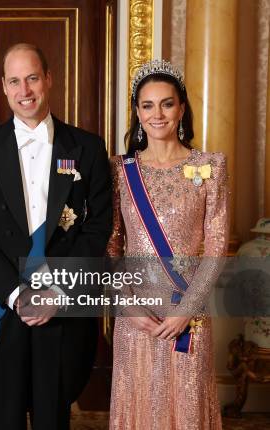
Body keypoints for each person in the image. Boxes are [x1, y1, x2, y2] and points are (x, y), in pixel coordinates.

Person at [0, 43, 112, 430]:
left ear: (48, 79)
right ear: (3, 87)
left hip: (62, 305)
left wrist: (56, 292)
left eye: (32, 78)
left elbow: (98, 227)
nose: (24, 90)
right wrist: (18, 294)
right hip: (5, 300)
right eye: (14, 81)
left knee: (53, 417)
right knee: (3, 417)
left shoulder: (87, 147)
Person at [107, 59, 227, 429]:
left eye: (167, 103)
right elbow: (111, 245)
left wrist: (185, 310)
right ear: (137, 113)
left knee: (186, 403)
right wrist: (128, 306)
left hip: (188, 315)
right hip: (137, 317)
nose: (157, 114)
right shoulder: (120, 170)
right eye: (147, 105)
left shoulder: (210, 165)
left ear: (182, 107)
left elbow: (217, 245)